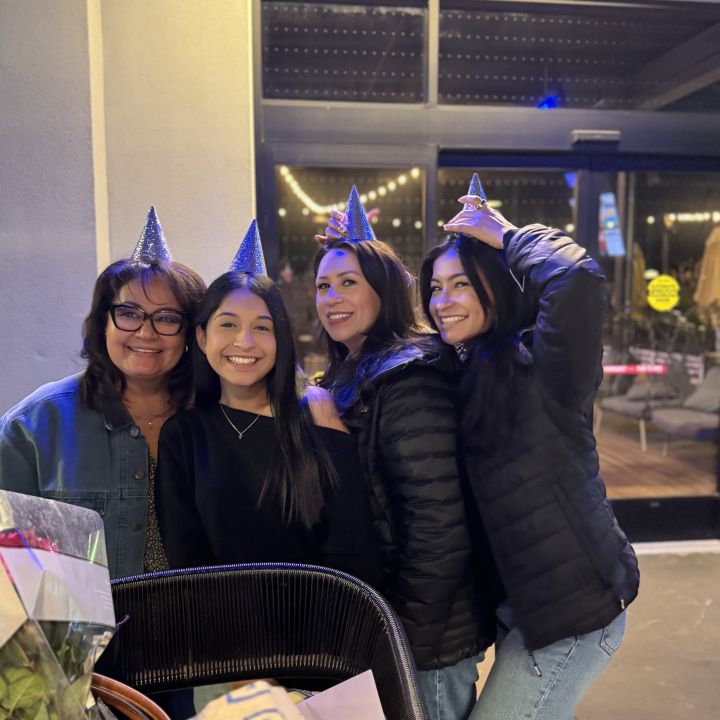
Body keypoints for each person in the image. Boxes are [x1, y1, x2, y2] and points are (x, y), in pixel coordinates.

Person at [418, 176, 640, 720]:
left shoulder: (540, 363)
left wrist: (508, 235)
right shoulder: (465, 368)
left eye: (460, 285)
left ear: (495, 285)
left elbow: (577, 280)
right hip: (522, 605)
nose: (442, 302)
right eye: (435, 288)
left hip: (575, 609)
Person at [314, 188, 498, 720]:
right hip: (384, 623)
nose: (332, 297)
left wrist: (403, 642)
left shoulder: (410, 378)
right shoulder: (353, 371)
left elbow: (438, 530)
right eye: (324, 285)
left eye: (350, 282)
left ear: (386, 289)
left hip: (425, 642)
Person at [155, 221, 381, 587]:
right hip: (220, 620)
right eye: (228, 325)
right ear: (202, 337)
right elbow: (187, 561)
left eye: (262, 327)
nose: (245, 342)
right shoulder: (184, 436)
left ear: (281, 341)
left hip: (320, 619)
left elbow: (353, 552)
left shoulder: (318, 421)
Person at [0, 207, 206, 579]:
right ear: (104, 322)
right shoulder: (34, 425)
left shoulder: (214, 415)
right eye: (128, 313)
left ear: (191, 334)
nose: (146, 332)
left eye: (166, 318)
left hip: (205, 614)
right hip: (88, 619)